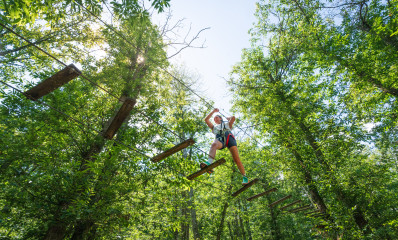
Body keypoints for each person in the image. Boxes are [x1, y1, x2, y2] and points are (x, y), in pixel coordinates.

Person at [200, 108, 249, 185]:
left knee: (236, 159)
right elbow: (206, 120)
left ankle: (245, 177)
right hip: (220, 141)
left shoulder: (226, 124)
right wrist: (213, 111)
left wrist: (228, 118)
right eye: (214, 118)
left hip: (230, 140)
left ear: (221, 118)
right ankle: (209, 163)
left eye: (217, 117)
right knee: (214, 144)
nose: (215, 119)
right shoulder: (214, 128)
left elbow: (233, 118)